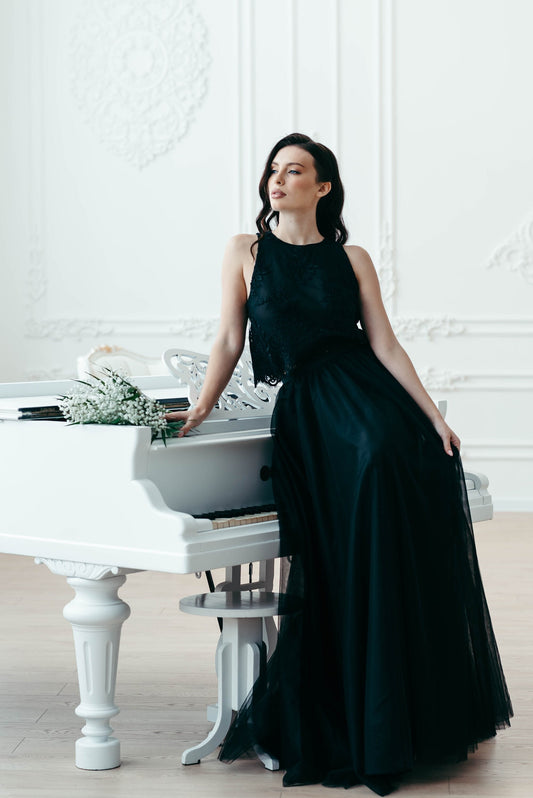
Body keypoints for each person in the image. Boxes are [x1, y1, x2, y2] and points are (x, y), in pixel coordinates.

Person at [166, 133, 513, 795]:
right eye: (273, 170)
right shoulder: (244, 252)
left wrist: (434, 417)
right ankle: (357, 703)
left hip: (364, 393)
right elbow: (228, 339)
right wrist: (202, 407)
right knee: (359, 501)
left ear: (323, 186)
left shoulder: (350, 258)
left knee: (387, 459)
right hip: (306, 408)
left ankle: (395, 705)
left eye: (293, 171)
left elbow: (383, 342)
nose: (278, 180)